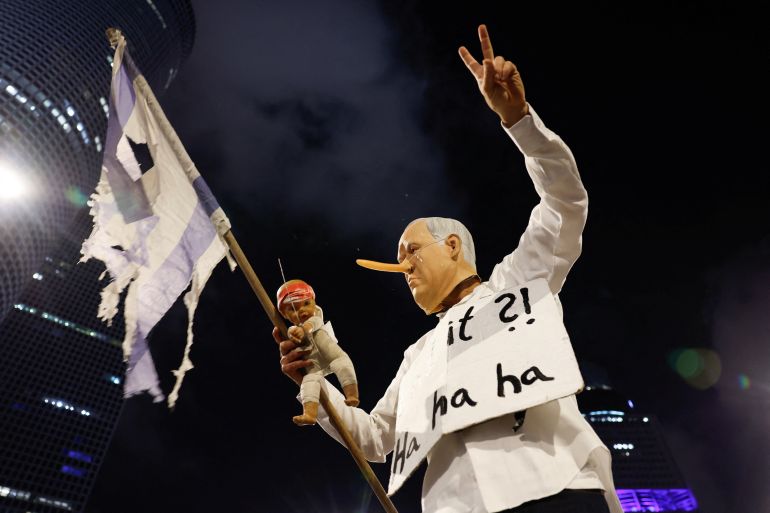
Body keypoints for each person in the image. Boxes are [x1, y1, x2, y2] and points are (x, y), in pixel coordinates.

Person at [275, 24, 621, 513]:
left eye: (410, 250)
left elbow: (564, 204)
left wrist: (519, 120)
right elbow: (375, 438)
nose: (403, 266)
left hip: (552, 486)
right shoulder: (418, 356)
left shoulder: (518, 284)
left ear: (453, 245)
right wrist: (314, 382)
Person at [276, 279, 359, 426]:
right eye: (293, 309)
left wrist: (303, 330)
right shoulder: (292, 330)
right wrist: (294, 336)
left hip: (330, 353)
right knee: (309, 382)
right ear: (284, 314)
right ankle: (309, 414)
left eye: (306, 303)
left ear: (314, 302)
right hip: (312, 362)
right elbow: (293, 335)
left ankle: (352, 394)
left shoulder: (316, 317)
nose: (302, 310)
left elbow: (312, 324)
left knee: (343, 363)